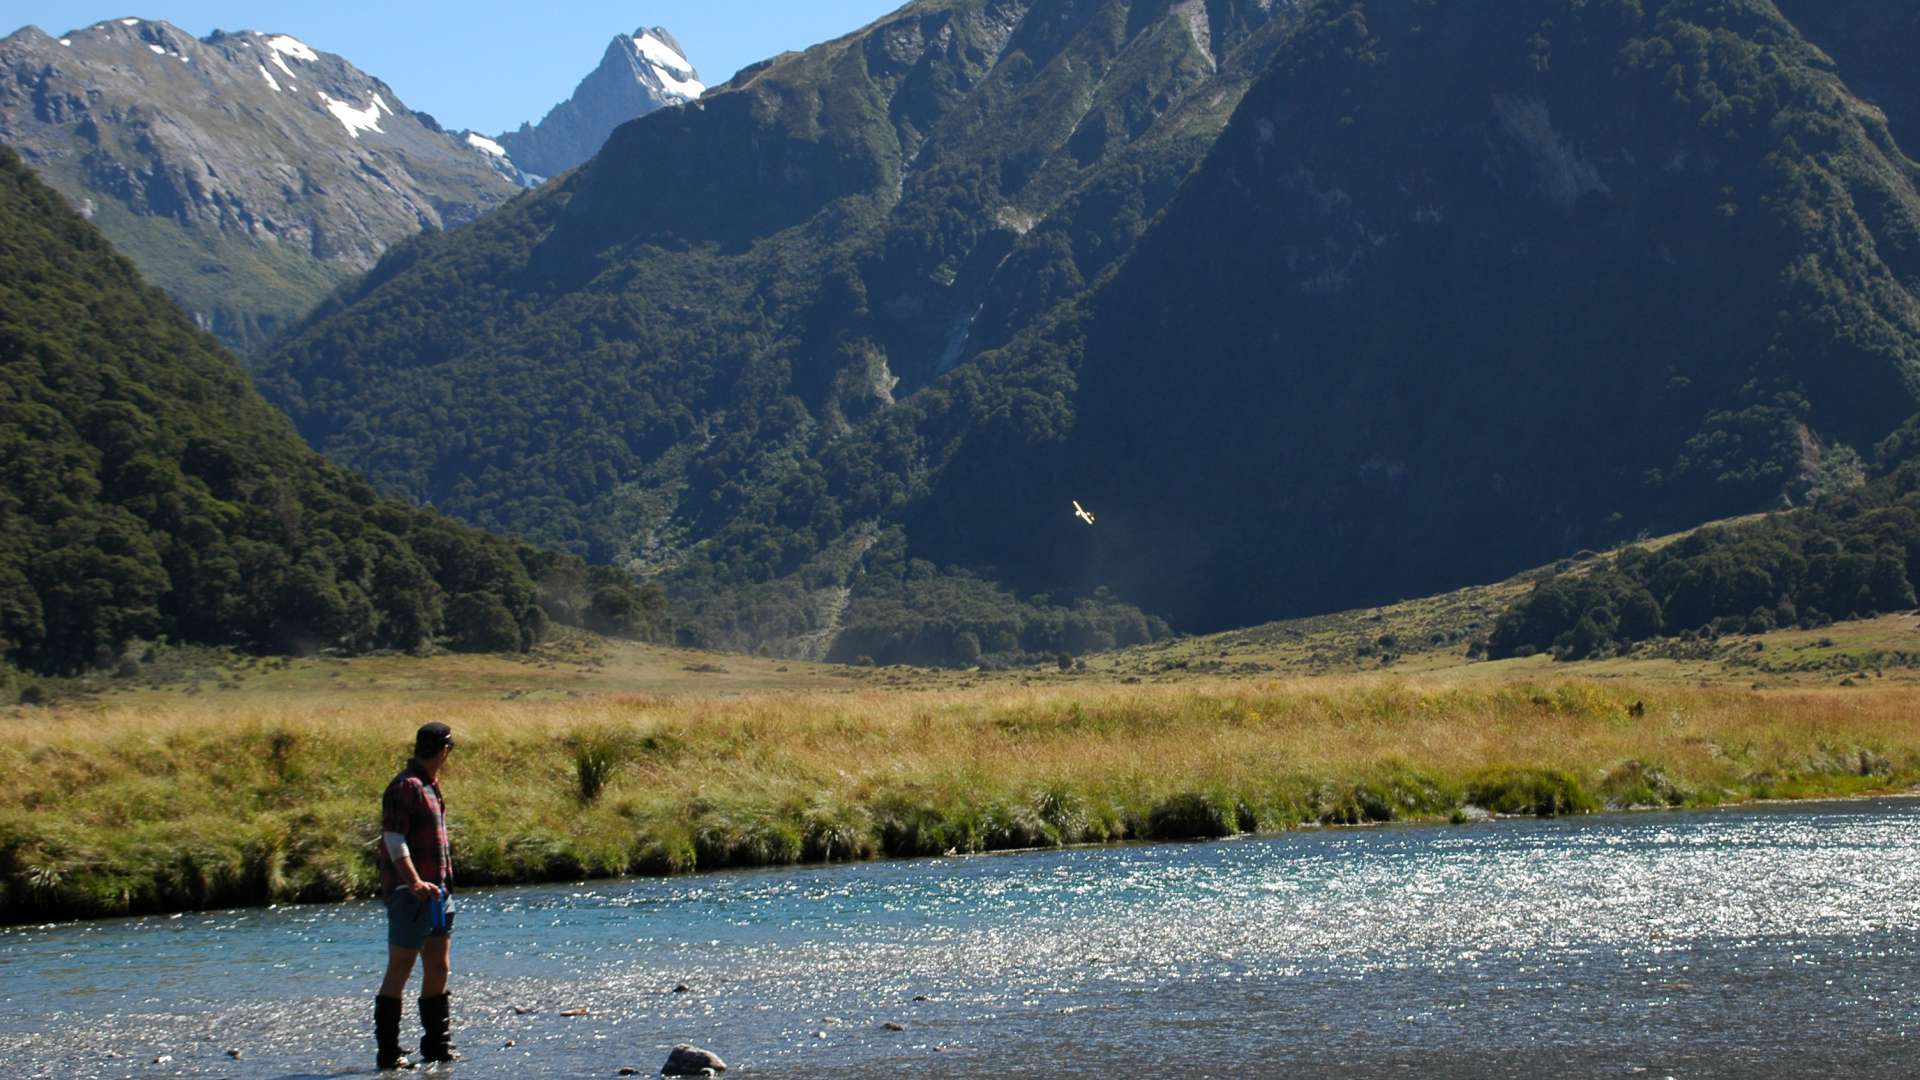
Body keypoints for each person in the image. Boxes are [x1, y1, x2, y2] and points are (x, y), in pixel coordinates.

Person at [373, 722, 458, 1070]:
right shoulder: (406, 786)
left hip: (440, 894)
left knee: (439, 965)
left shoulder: (430, 785)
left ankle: (437, 1046)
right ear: (445, 750)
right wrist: (413, 882)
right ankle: (389, 1052)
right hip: (411, 895)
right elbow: (394, 839)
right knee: (401, 968)